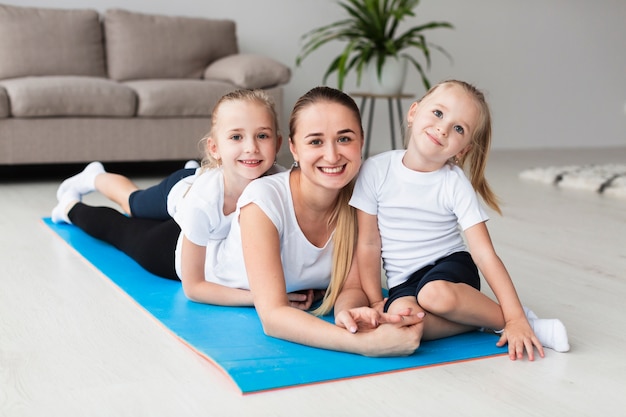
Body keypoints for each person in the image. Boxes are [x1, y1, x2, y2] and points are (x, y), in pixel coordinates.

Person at [334, 80, 569, 361]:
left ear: (462, 150)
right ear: (413, 113)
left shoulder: (453, 183)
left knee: (434, 295)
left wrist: (515, 315)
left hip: (450, 268)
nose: (443, 128)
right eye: (438, 113)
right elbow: (369, 243)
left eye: (459, 129)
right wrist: (376, 302)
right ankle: (478, 320)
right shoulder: (375, 170)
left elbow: (484, 255)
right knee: (401, 321)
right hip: (403, 283)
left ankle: (520, 322)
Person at [51, 89, 312, 308]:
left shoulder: (281, 183)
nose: (251, 147)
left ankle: (194, 166)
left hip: (205, 192)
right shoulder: (204, 200)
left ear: (278, 144)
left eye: (262, 136)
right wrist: (266, 299)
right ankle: (93, 177)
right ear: (214, 147)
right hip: (180, 191)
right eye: (236, 137)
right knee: (132, 203)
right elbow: (194, 287)